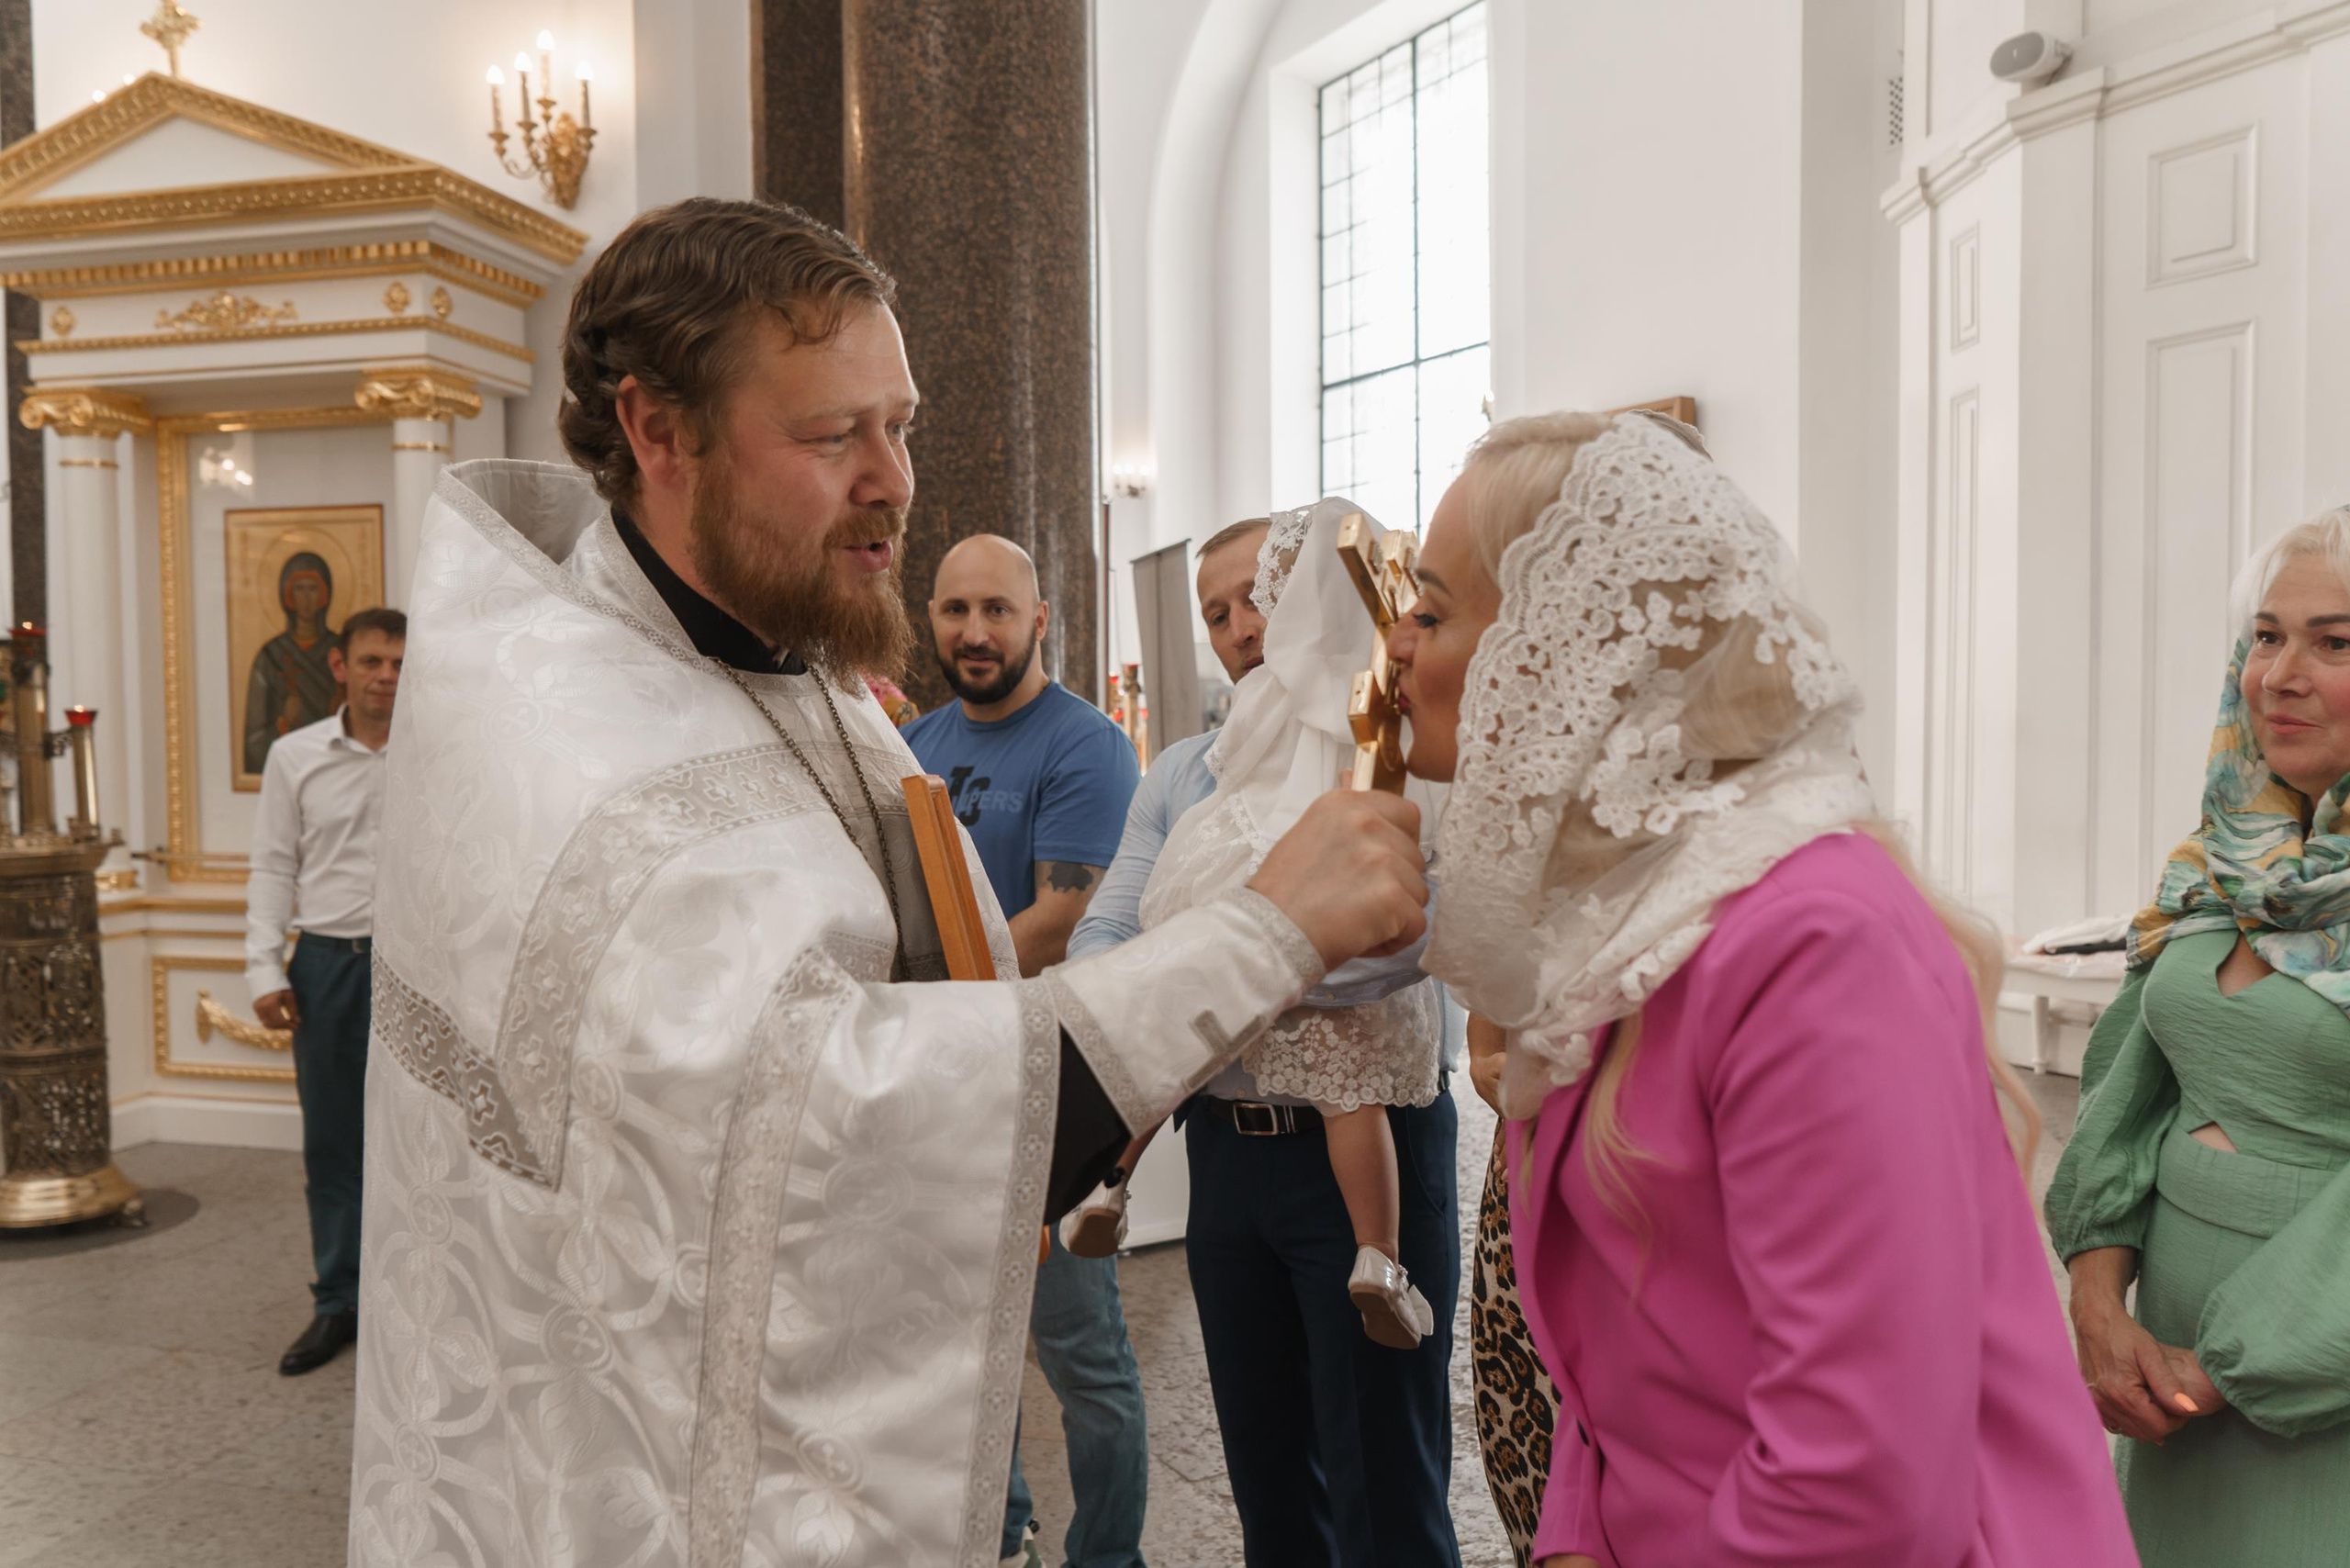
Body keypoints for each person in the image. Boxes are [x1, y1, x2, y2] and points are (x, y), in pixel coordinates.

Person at [348, 196, 1429, 1568]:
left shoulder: (767, 645)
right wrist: (1267, 929)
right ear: (656, 430)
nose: (894, 479)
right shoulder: (560, 743)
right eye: (829, 434)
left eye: (899, 423)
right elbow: (830, 1132)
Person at [1391, 409, 2134, 1566]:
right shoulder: (1630, 923)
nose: (1395, 644)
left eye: (1432, 611)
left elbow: (1861, 1484)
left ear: (1568, 647)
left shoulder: (1814, 941)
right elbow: (1613, 1362)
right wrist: (1580, 1532)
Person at [1068, 511, 1462, 1567]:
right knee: (1268, 1474)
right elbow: (1118, 925)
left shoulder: (1398, 741)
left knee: (1383, 1481)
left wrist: (1228, 956)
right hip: (1228, 1146)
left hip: (1363, 1135)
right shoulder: (1192, 772)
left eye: (1258, 599)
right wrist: (1241, 952)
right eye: (1217, 615)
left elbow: (1397, 943)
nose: (1242, 627)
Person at [2045, 507, 2350, 1566]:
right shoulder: (2218, 860)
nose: (2280, 673)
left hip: (2312, 1381)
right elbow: (2126, 1087)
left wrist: (2222, 1368)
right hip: (2159, 1389)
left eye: (2334, 641)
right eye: (2266, 635)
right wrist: (2093, 1296)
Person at [901, 532, 1148, 1568]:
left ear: (1040, 619)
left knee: (1079, 1355)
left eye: (997, 609)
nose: (974, 631)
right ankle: (997, 1537)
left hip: (1041, 1087)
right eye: (955, 609)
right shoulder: (907, 739)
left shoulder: (1085, 744)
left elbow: (1064, 913)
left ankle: (1106, 1556)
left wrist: (930, 987)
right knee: (959, 1350)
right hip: (931, 1082)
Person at [243, 604, 404, 1376]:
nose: (386, 677)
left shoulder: (439, 754)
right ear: (341, 667)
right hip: (329, 966)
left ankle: (415, 1306)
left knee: (419, 1141)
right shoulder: (295, 757)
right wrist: (264, 969)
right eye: (373, 661)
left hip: (417, 969)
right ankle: (338, 1301)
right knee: (335, 1143)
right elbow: (273, 866)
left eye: (401, 664)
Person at [243, 550, 342, 774]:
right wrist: (283, 724)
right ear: (287, 594)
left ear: (325, 595)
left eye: (313, 589)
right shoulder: (270, 657)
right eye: (299, 589)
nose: (306, 598)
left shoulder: (341, 651)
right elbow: (254, 741)